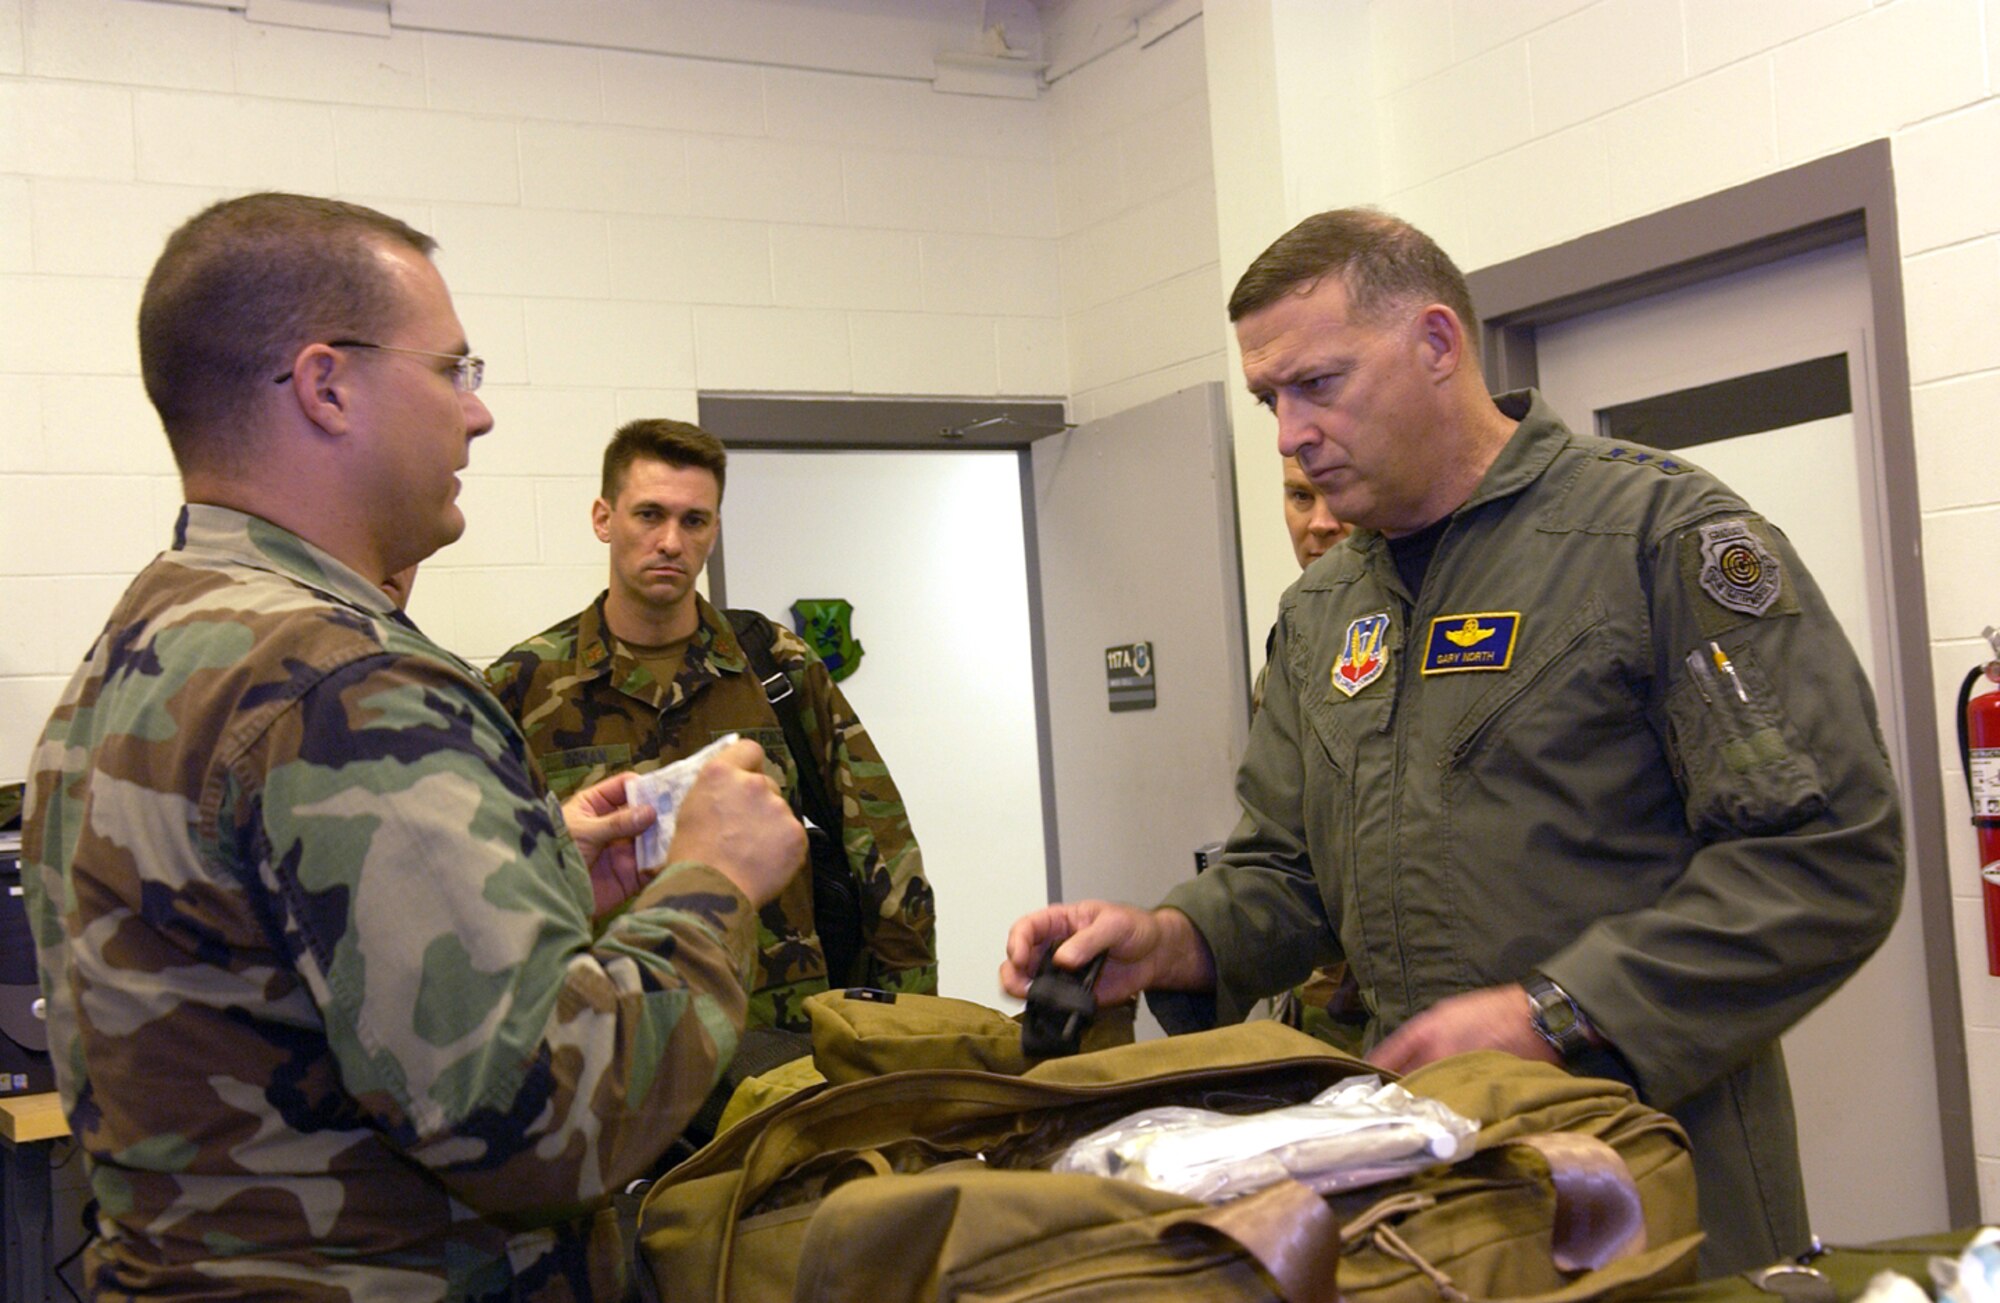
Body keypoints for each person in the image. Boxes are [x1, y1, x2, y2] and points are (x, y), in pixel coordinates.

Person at [1001, 207, 1903, 1276]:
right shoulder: (1323, 612)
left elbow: (1823, 853)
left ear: (1436, 344)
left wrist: (1558, 1013)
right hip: (1426, 1197)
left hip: (1648, 1170)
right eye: (1267, 400)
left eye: (1317, 384)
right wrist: (1168, 936)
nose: (1288, 433)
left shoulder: (1653, 540)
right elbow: (1285, 870)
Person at [18, 192, 805, 1301]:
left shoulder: (149, 641)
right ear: (326, 385)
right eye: (452, 371)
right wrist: (711, 886)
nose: (476, 416)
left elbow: (269, 975)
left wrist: (532, 874)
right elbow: (542, 1122)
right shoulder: (341, 680)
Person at [484, 420, 936, 1032]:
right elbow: (481, 879)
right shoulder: (524, 683)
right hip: (607, 1037)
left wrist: (908, 1033)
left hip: (775, 1033)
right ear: (603, 519)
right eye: (649, 515)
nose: (671, 541)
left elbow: (884, 855)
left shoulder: (776, 667)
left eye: (693, 521)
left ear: (714, 531)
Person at [1260, 458, 1366, 1051]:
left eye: (1337, 496)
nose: (1321, 524)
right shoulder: (1296, 635)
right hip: (1311, 1009)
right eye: (1301, 497)